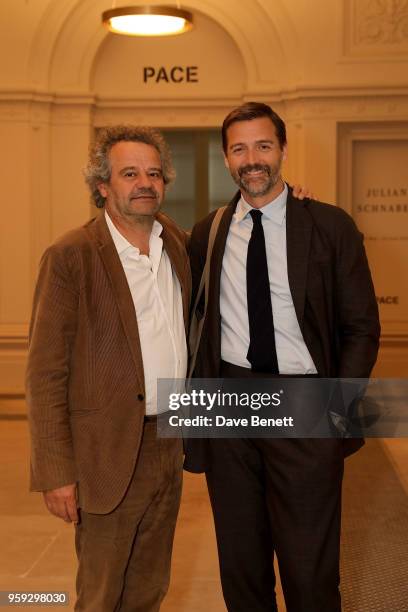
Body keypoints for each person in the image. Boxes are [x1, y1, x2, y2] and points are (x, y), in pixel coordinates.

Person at [184, 102, 380, 612]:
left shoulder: (330, 226)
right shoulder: (207, 232)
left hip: (306, 402)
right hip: (228, 401)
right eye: (239, 148)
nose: (252, 159)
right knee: (241, 565)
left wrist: (339, 411)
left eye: (263, 146)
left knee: (309, 566)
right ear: (226, 158)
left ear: (283, 150)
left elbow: (361, 327)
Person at [26, 125, 191, 612]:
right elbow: (45, 374)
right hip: (106, 453)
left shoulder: (176, 244)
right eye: (130, 173)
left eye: (154, 173)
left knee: (149, 587)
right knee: (100, 594)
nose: (145, 183)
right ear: (103, 185)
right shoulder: (70, 256)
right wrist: (57, 472)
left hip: (168, 442)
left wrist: (292, 200)